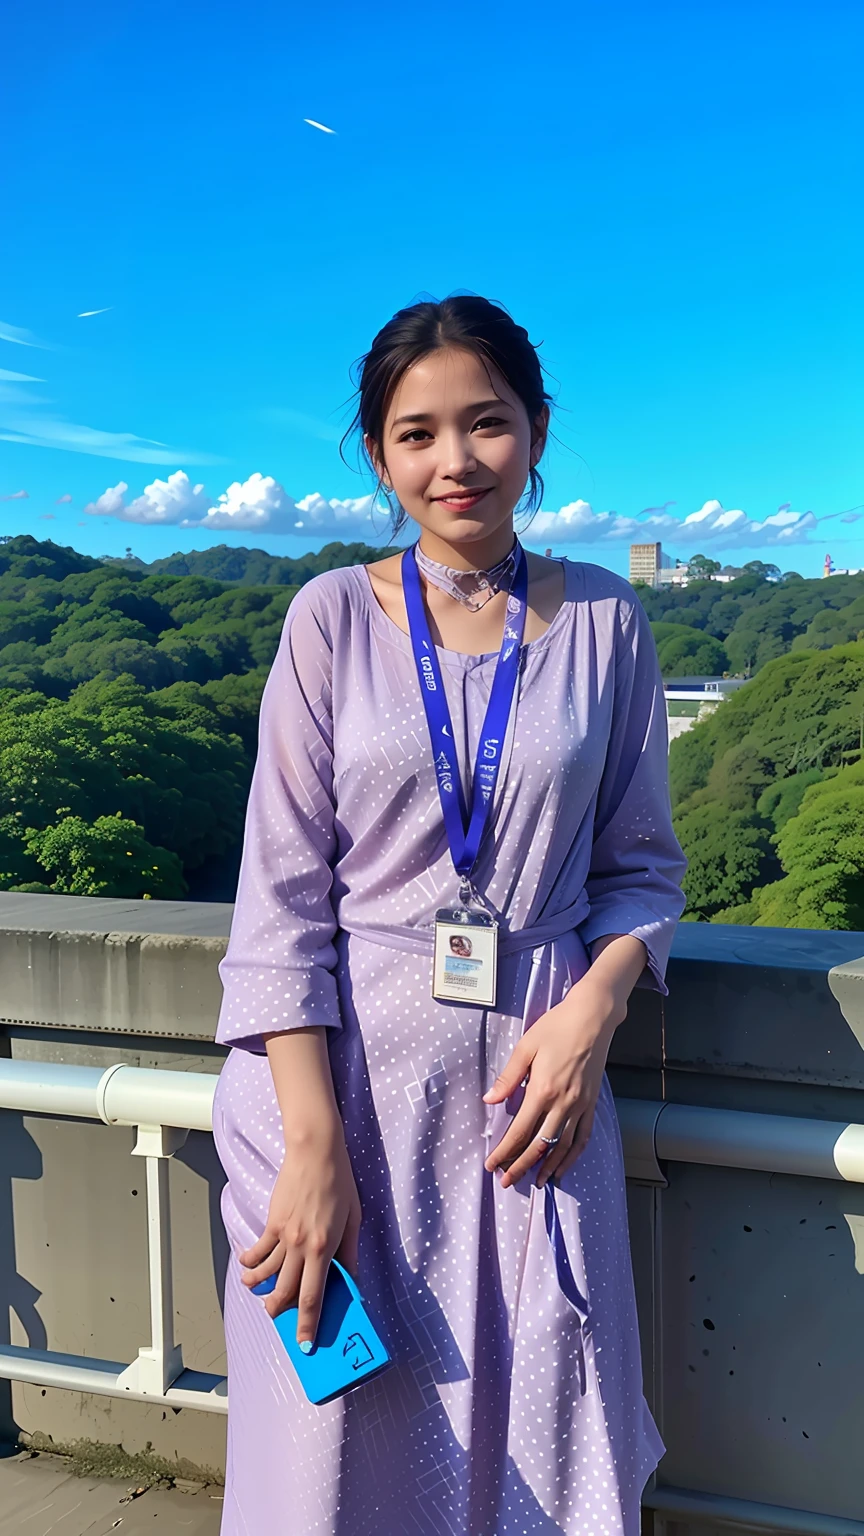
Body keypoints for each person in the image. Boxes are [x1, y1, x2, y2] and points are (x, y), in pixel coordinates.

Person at [212, 294, 687, 1535]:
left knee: (547, 1413)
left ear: (535, 430)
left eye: (485, 423)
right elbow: (280, 907)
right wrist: (310, 1149)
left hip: (532, 1094)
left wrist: (593, 1008)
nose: (453, 460)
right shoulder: (329, 619)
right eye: (415, 434)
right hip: (343, 1100)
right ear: (378, 455)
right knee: (336, 1452)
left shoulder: (605, 621)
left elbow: (642, 868)